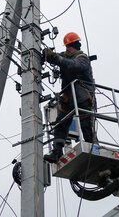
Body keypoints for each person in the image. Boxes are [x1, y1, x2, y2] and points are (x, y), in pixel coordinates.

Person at [42, 32, 95, 163]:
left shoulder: (82, 58)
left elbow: (73, 65)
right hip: (68, 97)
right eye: (66, 47)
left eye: (69, 46)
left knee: (85, 124)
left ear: (75, 46)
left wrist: (57, 59)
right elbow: (57, 58)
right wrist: (46, 55)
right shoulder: (66, 56)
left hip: (82, 97)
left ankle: (93, 148)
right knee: (61, 125)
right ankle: (57, 152)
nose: (67, 49)